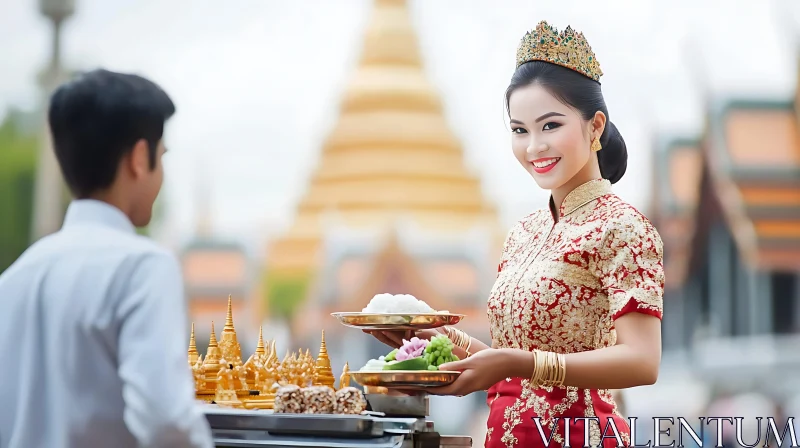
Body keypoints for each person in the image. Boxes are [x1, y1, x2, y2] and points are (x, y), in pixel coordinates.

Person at [367, 21, 664, 447]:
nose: (534, 147)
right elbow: (507, 356)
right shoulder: (524, 232)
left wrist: (517, 362)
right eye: (519, 129)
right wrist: (432, 338)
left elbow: (642, 361)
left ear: (595, 127)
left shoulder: (623, 228)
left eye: (550, 126)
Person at [0, 69, 214, 448]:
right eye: (160, 157)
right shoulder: (144, 268)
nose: (161, 172)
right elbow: (165, 420)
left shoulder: (15, 278)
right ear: (138, 158)